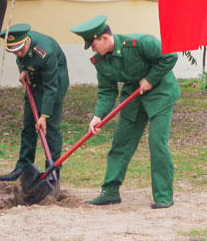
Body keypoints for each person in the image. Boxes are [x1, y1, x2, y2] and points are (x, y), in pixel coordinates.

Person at [71, 15, 180, 208]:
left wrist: (150, 79)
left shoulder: (140, 43)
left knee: (157, 142)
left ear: (104, 38)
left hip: (161, 94)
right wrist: (98, 116)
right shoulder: (101, 62)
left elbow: (170, 56)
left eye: (93, 44)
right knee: (121, 142)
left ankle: (163, 196)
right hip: (134, 97)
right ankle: (110, 191)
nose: (92, 49)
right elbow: (107, 92)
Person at [0, 23, 70, 182]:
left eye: (21, 50)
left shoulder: (45, 52)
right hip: (34, 81)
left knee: (50, 128)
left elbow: (51, 87)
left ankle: (53, 169)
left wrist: (44, 116)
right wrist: (22, 70)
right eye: (14, 51)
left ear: (27, 41)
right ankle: (23, 167)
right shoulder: (19, 47)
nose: (18, 54)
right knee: (28, 126)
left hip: (54, 84)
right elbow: (21, 58)